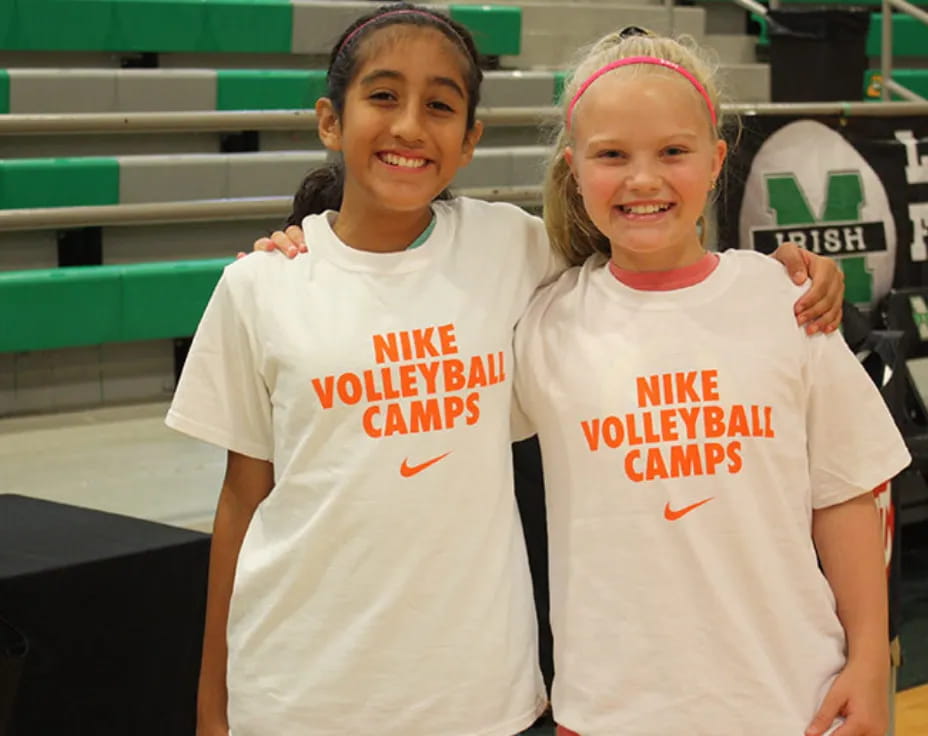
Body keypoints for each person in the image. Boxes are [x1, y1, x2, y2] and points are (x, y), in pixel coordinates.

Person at [176, 5, 843, 734]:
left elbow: (648, 251)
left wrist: (775, 270)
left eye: (439, 105)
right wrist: (215, 703)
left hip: (479, 697)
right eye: (383, 96)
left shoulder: (509, 247)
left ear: (469, 142)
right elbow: (242, 502)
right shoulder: (262, 287)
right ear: (330, 121)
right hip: (296, 692)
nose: (408, 126)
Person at [511, 27, 911, 736]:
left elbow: (847, 492)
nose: (643, 179)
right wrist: (304, 246)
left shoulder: (784, 301)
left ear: (717, 158)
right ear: (574, 169)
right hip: (610, 710)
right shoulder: (543, 322)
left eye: (672, 151)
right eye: (611, 155)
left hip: (794, 700)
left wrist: (871, 662)